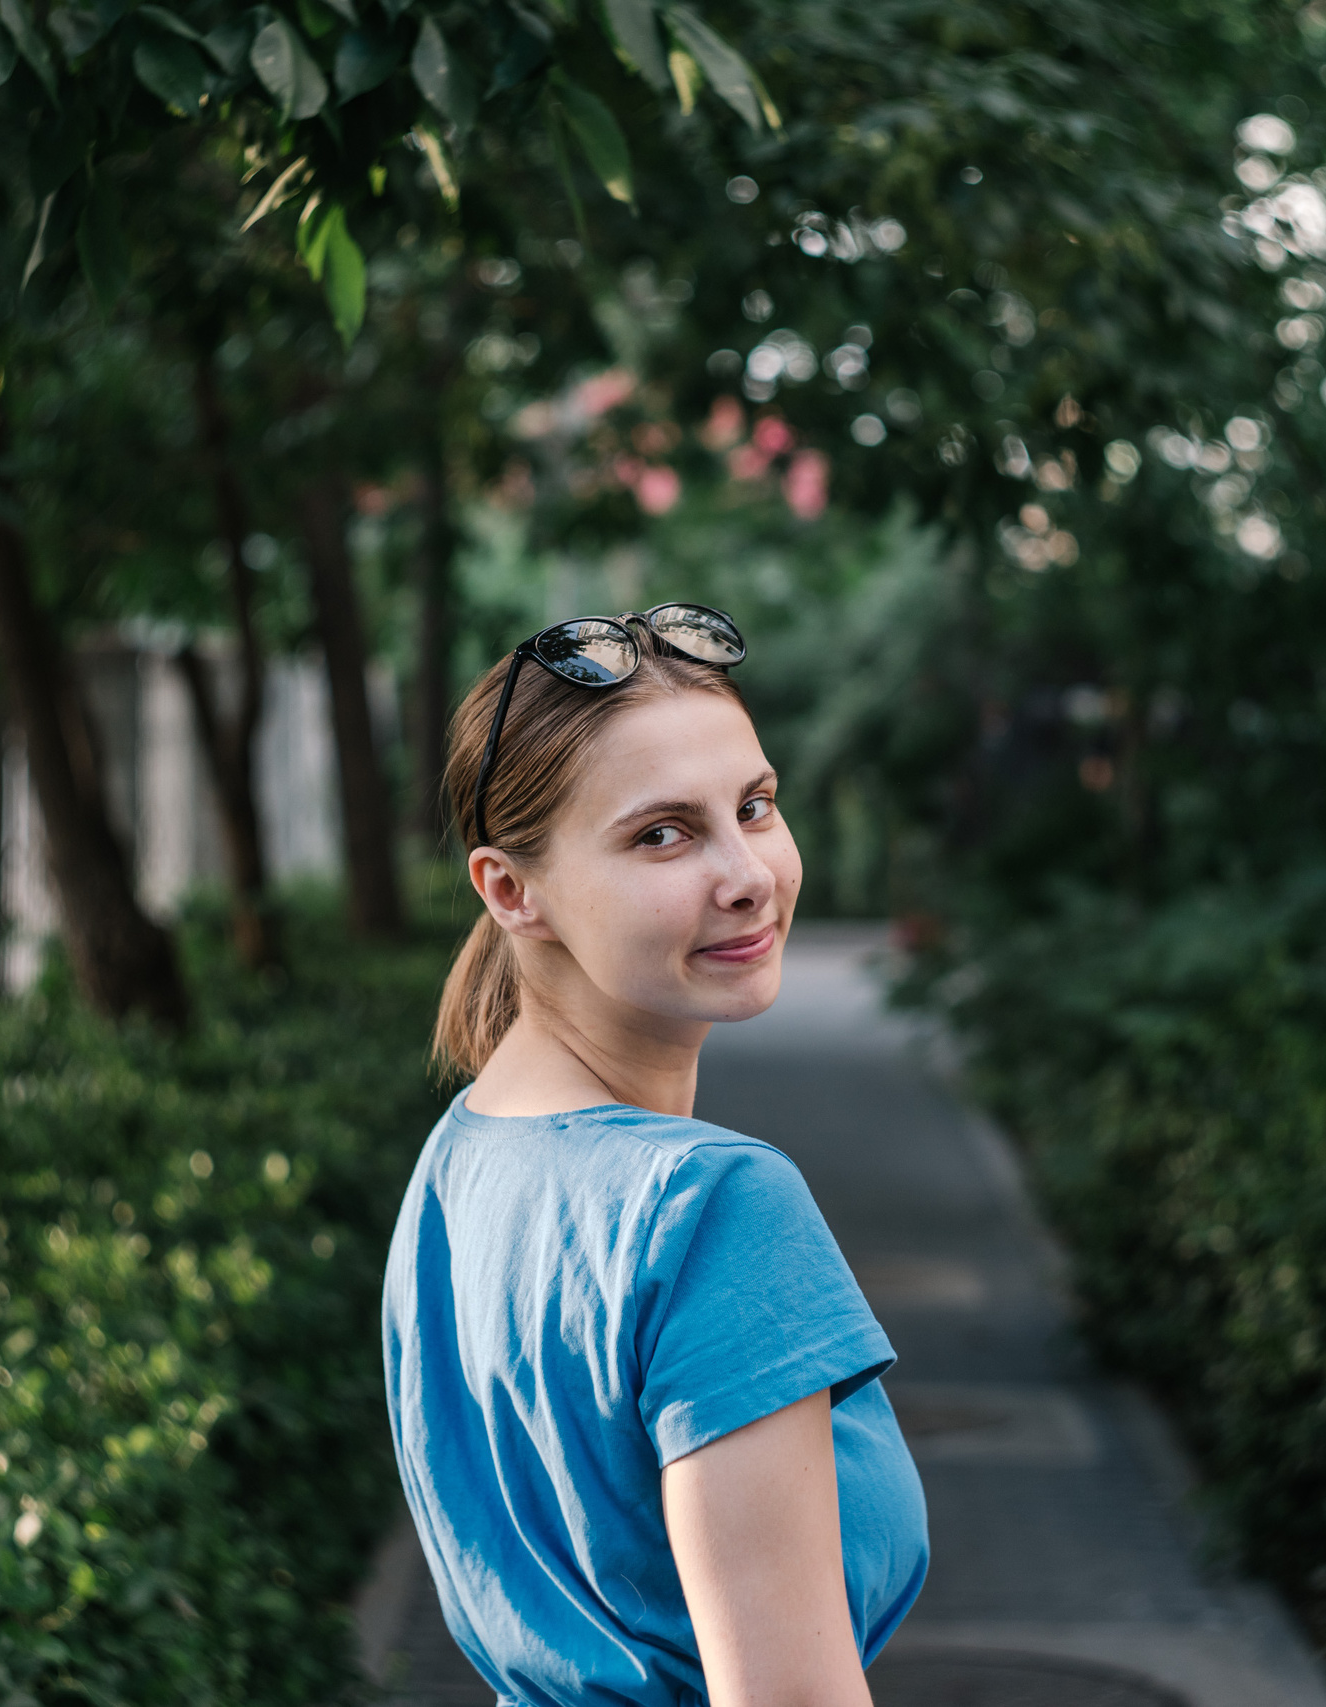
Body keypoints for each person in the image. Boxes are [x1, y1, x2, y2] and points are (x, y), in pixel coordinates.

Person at [383, 604, 927, 1707]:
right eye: (662, 835)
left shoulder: (456, 1165)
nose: (749, 874)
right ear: (509, 891)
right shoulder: (715, 1206)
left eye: (755, 808)